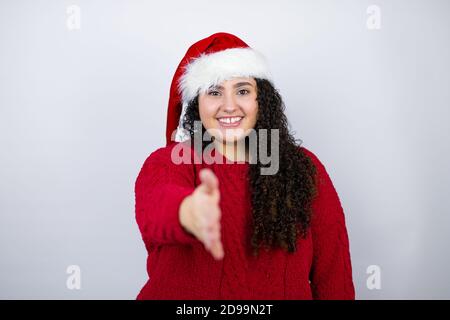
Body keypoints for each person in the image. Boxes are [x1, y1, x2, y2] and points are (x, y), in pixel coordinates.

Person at [134, 32, 355, 299]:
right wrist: (187, 212)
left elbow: (333, 271)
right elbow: (155, 210)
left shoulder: (304, 167)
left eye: (242, 91)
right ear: (196, 104)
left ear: (261, 100)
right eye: (214, 92)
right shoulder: (171, 161)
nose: (229, 106)